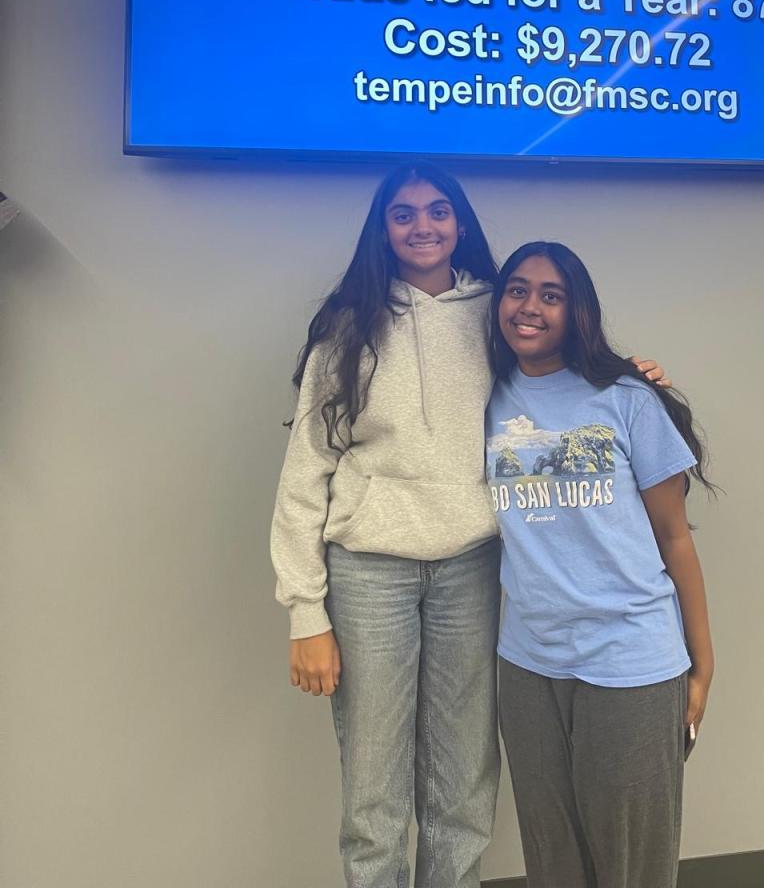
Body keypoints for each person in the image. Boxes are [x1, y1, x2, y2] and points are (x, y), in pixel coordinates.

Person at [270, 164, 670, 888]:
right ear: (383, 229)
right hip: (369, 572)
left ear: (459, 224)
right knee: (374, 788)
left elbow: (557, 366)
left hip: (471, 569)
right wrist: (305, 612)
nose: (422, 225)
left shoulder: (494, 313)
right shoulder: (348, 325)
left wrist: (627, 374)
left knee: (464, 782)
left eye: (437, 210)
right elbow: (305, 472)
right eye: (403, 213)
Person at [486, 241, 716, 888]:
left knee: (630, 866)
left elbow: (675, 538)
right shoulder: (486, 398)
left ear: (577, 311)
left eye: (551, 295)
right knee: (553, 861)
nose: (530, 307)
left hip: (630, 659)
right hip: (528, 665)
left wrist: (703, 665)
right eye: (517, 290)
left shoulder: (627, 398)